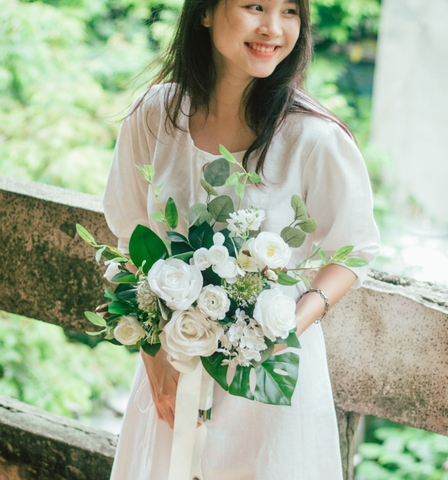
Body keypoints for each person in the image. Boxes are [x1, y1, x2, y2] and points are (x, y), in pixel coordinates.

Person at [103, 0, 380, 478]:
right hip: (172, 370)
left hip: (271, 383)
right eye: (255, 6)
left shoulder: (314, 138)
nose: (273, 28)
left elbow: (353, 251)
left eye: (290, 11)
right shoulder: (156, 115)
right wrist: (154, 361)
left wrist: (284, 328)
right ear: (206, 12)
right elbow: (131, 237)